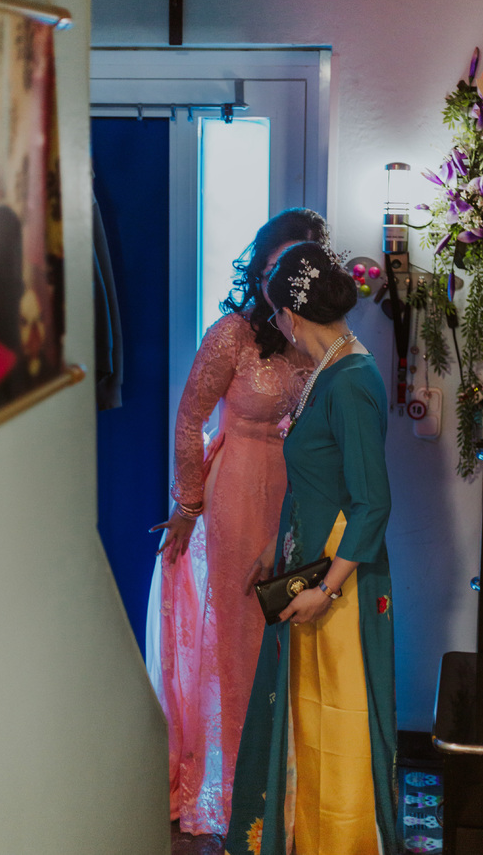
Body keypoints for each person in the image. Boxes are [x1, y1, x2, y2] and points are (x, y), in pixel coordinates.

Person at [146, 209, 329, 838]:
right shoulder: (232, 334)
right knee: (244, 634)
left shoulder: (320, 339)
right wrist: (188, 504)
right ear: (261, 268)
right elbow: (189, 418)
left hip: (302, 494)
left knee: (299, 628)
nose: (289, 280)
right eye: (280, 265)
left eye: (302, 266)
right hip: (239, 495)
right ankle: (239, 789)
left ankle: (295, 782)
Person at [225, 241, 399, 855]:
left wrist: (326, 588)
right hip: (312, 559)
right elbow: (315, 480)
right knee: (307, 711)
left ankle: (343, 842)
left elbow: (372, 501)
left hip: (338, 576)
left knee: (338, 716)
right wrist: (275, 545)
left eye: (276, 315)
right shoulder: (331, 369)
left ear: (292, 316)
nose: (276, 326)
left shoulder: (350, 381)